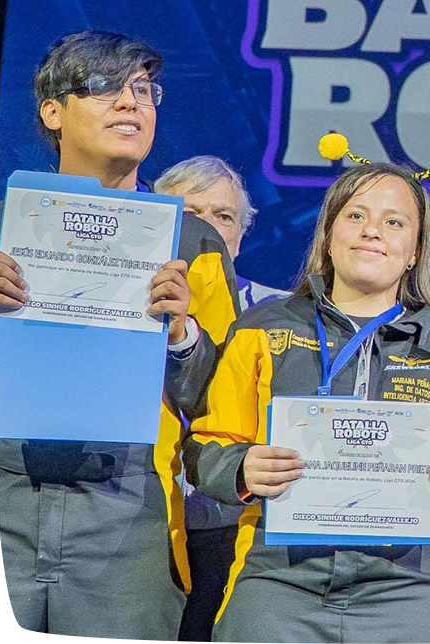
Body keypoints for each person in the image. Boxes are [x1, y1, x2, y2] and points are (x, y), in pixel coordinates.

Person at [184, 149, 430, 644]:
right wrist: (240, 467)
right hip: (278, 579)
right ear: (328, 234)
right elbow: (203, 446)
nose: (372, 231)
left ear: (416, 250)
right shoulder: (263, 328)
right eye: (356, 216)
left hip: (409, 585)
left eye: (394, 222)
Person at [0, 31, 239, 644]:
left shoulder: (194, 244)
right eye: (104, 87)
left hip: (128, 511)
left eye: (144, 91)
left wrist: (182, 335)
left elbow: (223, 400)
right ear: (53, 111)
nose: (131, 103)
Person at [155, 155, 287, 644]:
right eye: (190, 214)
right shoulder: (117, 303)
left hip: (228, 527)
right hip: (140, 524)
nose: (206, 229)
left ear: (241, 236)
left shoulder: (279, 317)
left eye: (223, 216)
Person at [156, 156, 287, 311]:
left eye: (224, 217)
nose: (207, 226)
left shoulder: (278, 311)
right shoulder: (132, 296)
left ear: (239, 240)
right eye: (189, 214)